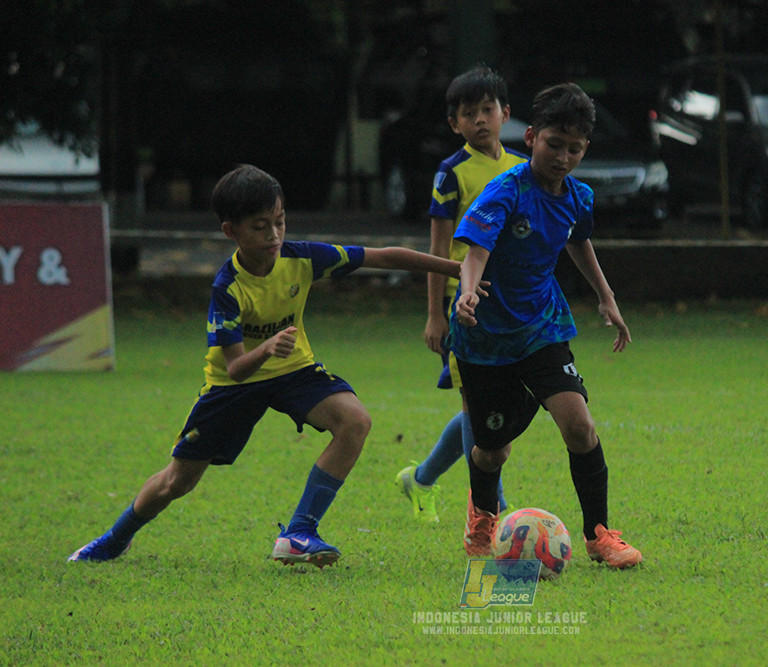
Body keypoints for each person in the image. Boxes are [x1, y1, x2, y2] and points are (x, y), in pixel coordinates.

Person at [68, 164, 477, 568]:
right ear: (232, 231)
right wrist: (265, 348)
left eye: (279, 222)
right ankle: (113, 539)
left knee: (355, 421)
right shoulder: (227, 288)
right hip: (233, 386)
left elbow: (384, 257)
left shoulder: (301, 258)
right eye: (260, 227)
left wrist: (459, 270)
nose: (275, 235)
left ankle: (299, 532)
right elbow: (236, 369)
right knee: (180, 480)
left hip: (294, 371)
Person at [450, 83, 643, 569]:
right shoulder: (505, 190)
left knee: (579, 426)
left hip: (543, 326)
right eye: (554, 144)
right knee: (492, 452)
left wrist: (607, 296)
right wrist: (468, 291)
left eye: (574, 148)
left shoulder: (579, 196)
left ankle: (600, 535)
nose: (562, 156)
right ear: (532, 136)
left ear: (585, 150)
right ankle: (483, 513)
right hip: (485, 337)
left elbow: (578, 242)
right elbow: (475, 251)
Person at [394, 66, 527, 523]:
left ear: (505, 113)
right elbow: (436, 250)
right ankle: (498, 514)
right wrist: (435, 315)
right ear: (455, 124)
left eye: (488, 109)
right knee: (479, 411)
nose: (480, 120)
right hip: (466, 305)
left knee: (494, 411)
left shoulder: (521, 169)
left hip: (515, 305)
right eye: (469, 114)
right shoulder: (451, 174)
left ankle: (422, 478)